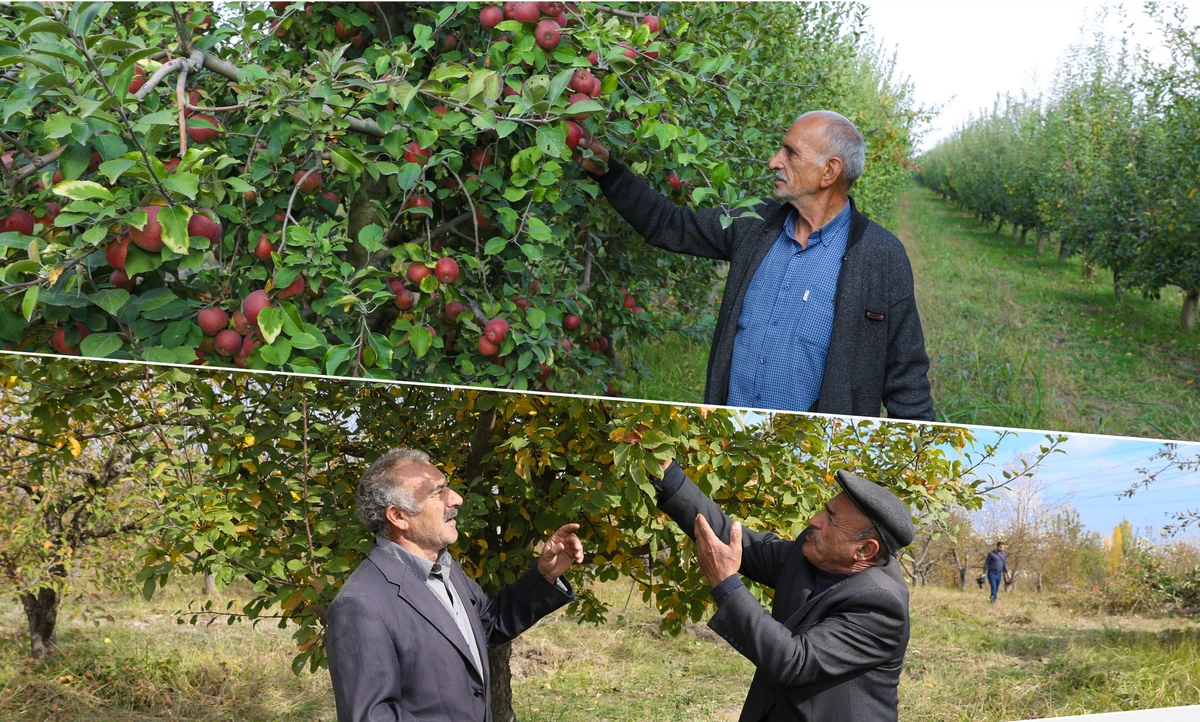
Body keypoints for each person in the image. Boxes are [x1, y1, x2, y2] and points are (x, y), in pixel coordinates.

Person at [574, 112, 934, 420]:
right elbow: (670, 225)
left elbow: (906, 375)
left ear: (829, 172)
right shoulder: (753, 225)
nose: (774, 161)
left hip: (815, 458)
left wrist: (902, 473)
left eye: (791, 153)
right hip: (730, 440)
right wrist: (609, 172)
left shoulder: (880, 256)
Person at [325, 448, 583, 722]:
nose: (457, 499)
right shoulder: (360, 604)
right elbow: (371, 716)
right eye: (438, 492)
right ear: (398, 516)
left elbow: (487, 622)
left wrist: (545, 576)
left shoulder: (443, 566)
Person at [649, 457, 915, 722]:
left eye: (831, 519)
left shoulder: (881, 605)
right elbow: (732, 537)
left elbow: (795, 662)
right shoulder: (808, 552)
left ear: (865, 550)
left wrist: (725, 583)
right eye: (825, 509)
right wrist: (666, 473)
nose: (814, 520)